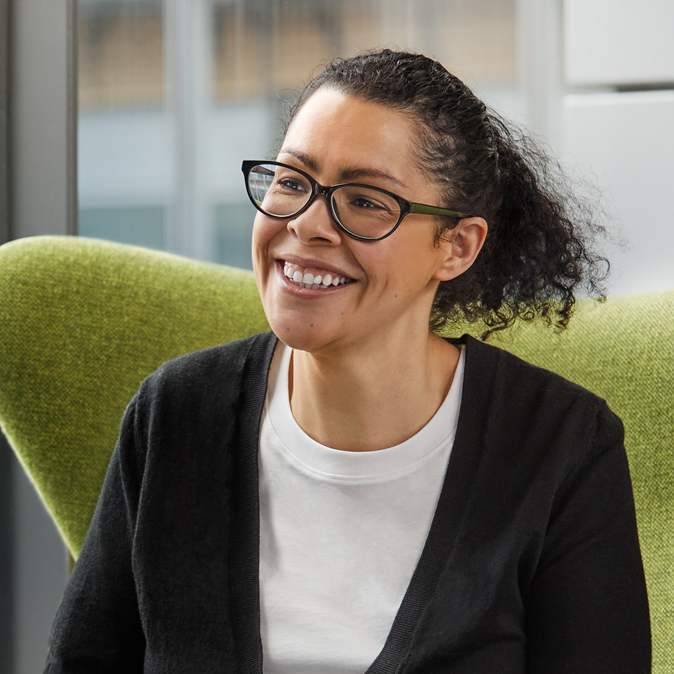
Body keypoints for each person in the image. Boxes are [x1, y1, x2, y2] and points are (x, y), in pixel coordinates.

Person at [45, 50, 651, 673]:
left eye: (364, 201)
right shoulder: (174, 414)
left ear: (457, 246)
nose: (307, 225)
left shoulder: (564, 447)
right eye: (290, 181)